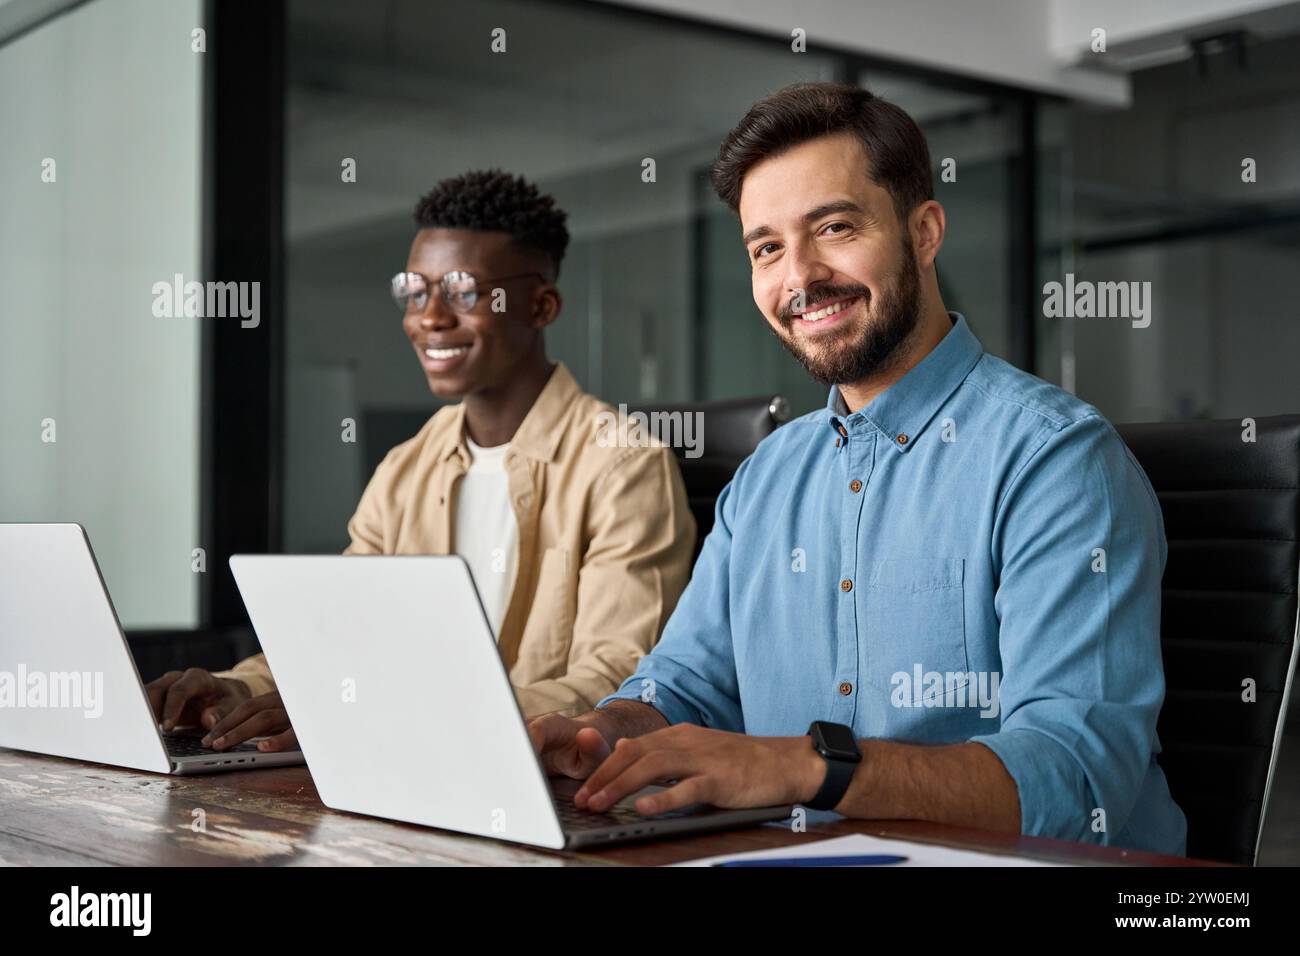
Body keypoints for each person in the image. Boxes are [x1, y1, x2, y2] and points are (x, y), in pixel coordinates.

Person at [528, 83, 1187, 854]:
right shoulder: (766, 476)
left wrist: (810, 770)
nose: (799, 277)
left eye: (834, 227)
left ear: (926, 231)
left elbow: (1075, 779)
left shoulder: (1057, 462)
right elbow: (685, 686)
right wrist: (605, 735)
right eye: (766, 248)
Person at [147, 170, 695, 753]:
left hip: (543, 790)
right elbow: (343, 629)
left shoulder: (623, 464)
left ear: (540, 305)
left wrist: (393, 710)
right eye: (415, 289)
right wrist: (236, 689)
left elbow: (615, 683)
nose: (429, 316)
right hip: (398, 767)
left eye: (462, 291)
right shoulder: (405, 468)